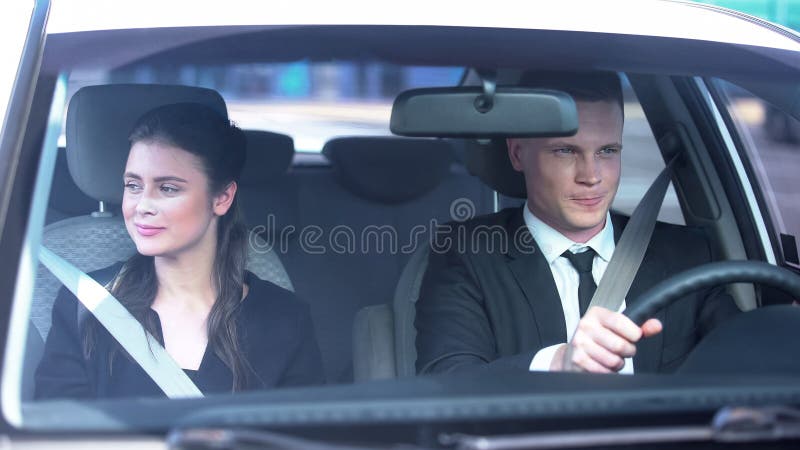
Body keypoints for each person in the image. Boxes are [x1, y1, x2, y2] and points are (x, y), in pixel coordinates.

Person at [415, 71, 740, 375]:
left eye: (608, 151)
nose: (591, 176)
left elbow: (745, 362)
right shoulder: (467, 254)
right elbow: (449, 379)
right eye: (565, 151)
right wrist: (557, 362)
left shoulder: (687, 255)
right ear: (517, 154)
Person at [35, 103, 324, 399]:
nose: (143, 206)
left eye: (168, 188)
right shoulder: (86, 304)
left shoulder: (284, 319)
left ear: (222, 197)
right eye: (133, 185)